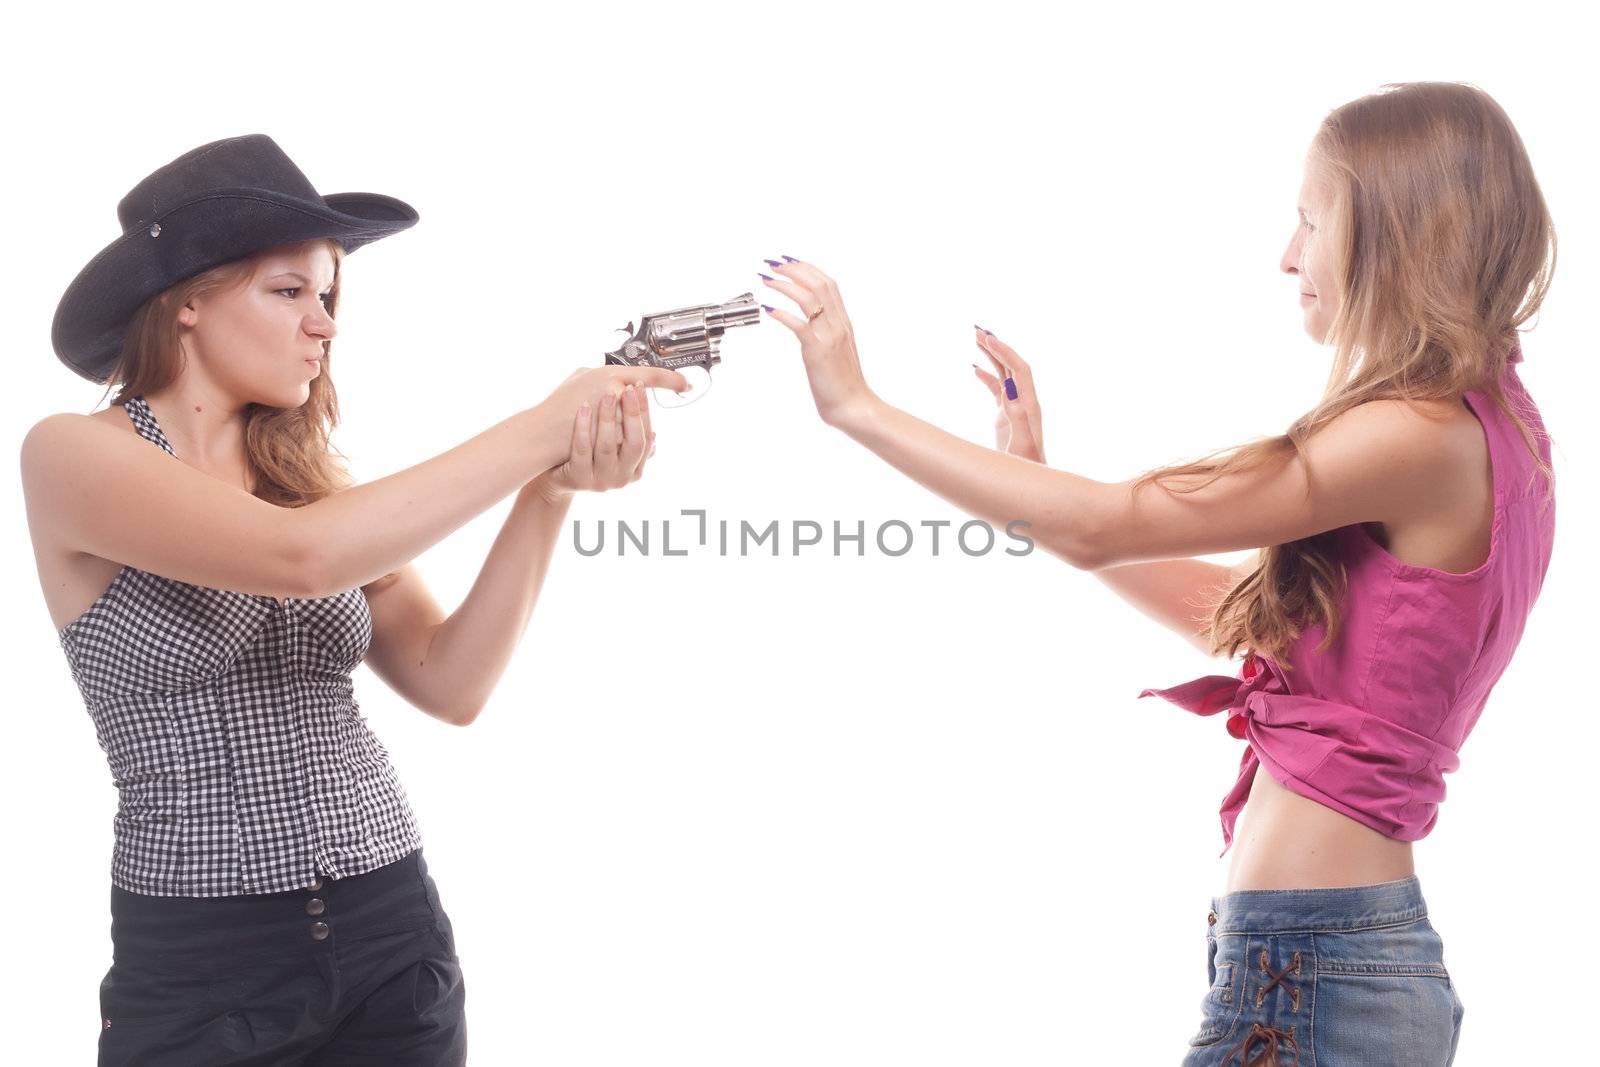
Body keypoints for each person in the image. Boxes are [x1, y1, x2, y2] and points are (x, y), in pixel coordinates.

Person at [762, 81, 1556, 1065]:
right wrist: (1039, 486)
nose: (1287, 255)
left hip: (1312, 982)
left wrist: (855, 407)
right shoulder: (1482, 427)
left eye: (1311, 220)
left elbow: (1108, 525)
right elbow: (1235, 615)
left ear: (1394, 231)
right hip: (1317, 970)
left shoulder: (1418, 433)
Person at [21, 133, 688, 1066]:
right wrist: (539, 424)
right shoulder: (73, 455)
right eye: (289, 291)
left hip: (393, 929)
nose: (325, 324)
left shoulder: (304, 479)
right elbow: (300, 560)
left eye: (328, 297)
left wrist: (552, 486)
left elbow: (450, 680)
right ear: (187, 304)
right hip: (203, 968)